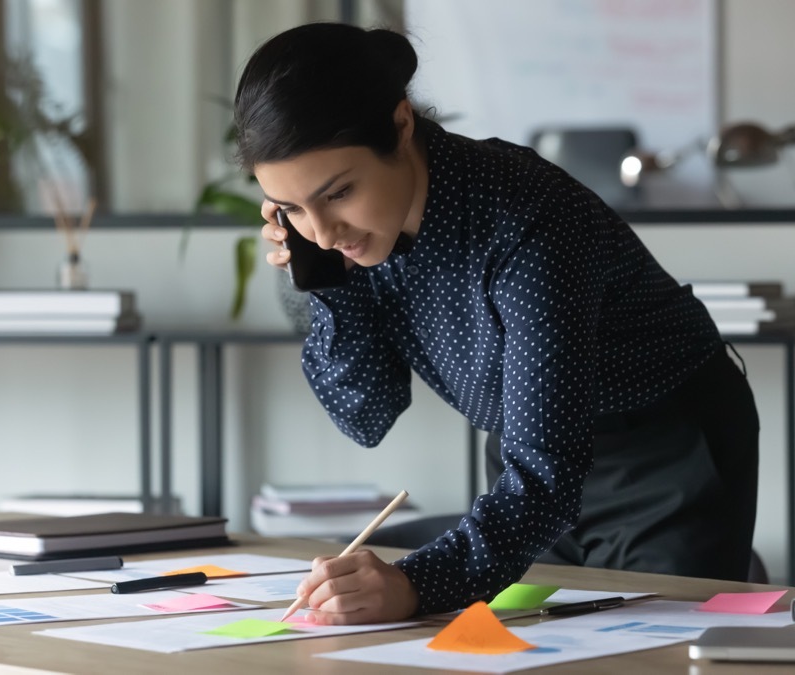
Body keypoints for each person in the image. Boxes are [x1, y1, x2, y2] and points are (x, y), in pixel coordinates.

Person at [235, 22, 760, 625]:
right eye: (293, 208)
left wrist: (411, 584)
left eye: (339, 192)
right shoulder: (339, 243)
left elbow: (547, 478)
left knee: (648, 653)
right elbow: (365, 414)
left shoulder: (528, 217)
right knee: (524, 651)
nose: (324, 231)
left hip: (663, 449)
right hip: (527, 461)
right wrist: (323, 280)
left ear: (401, 126)